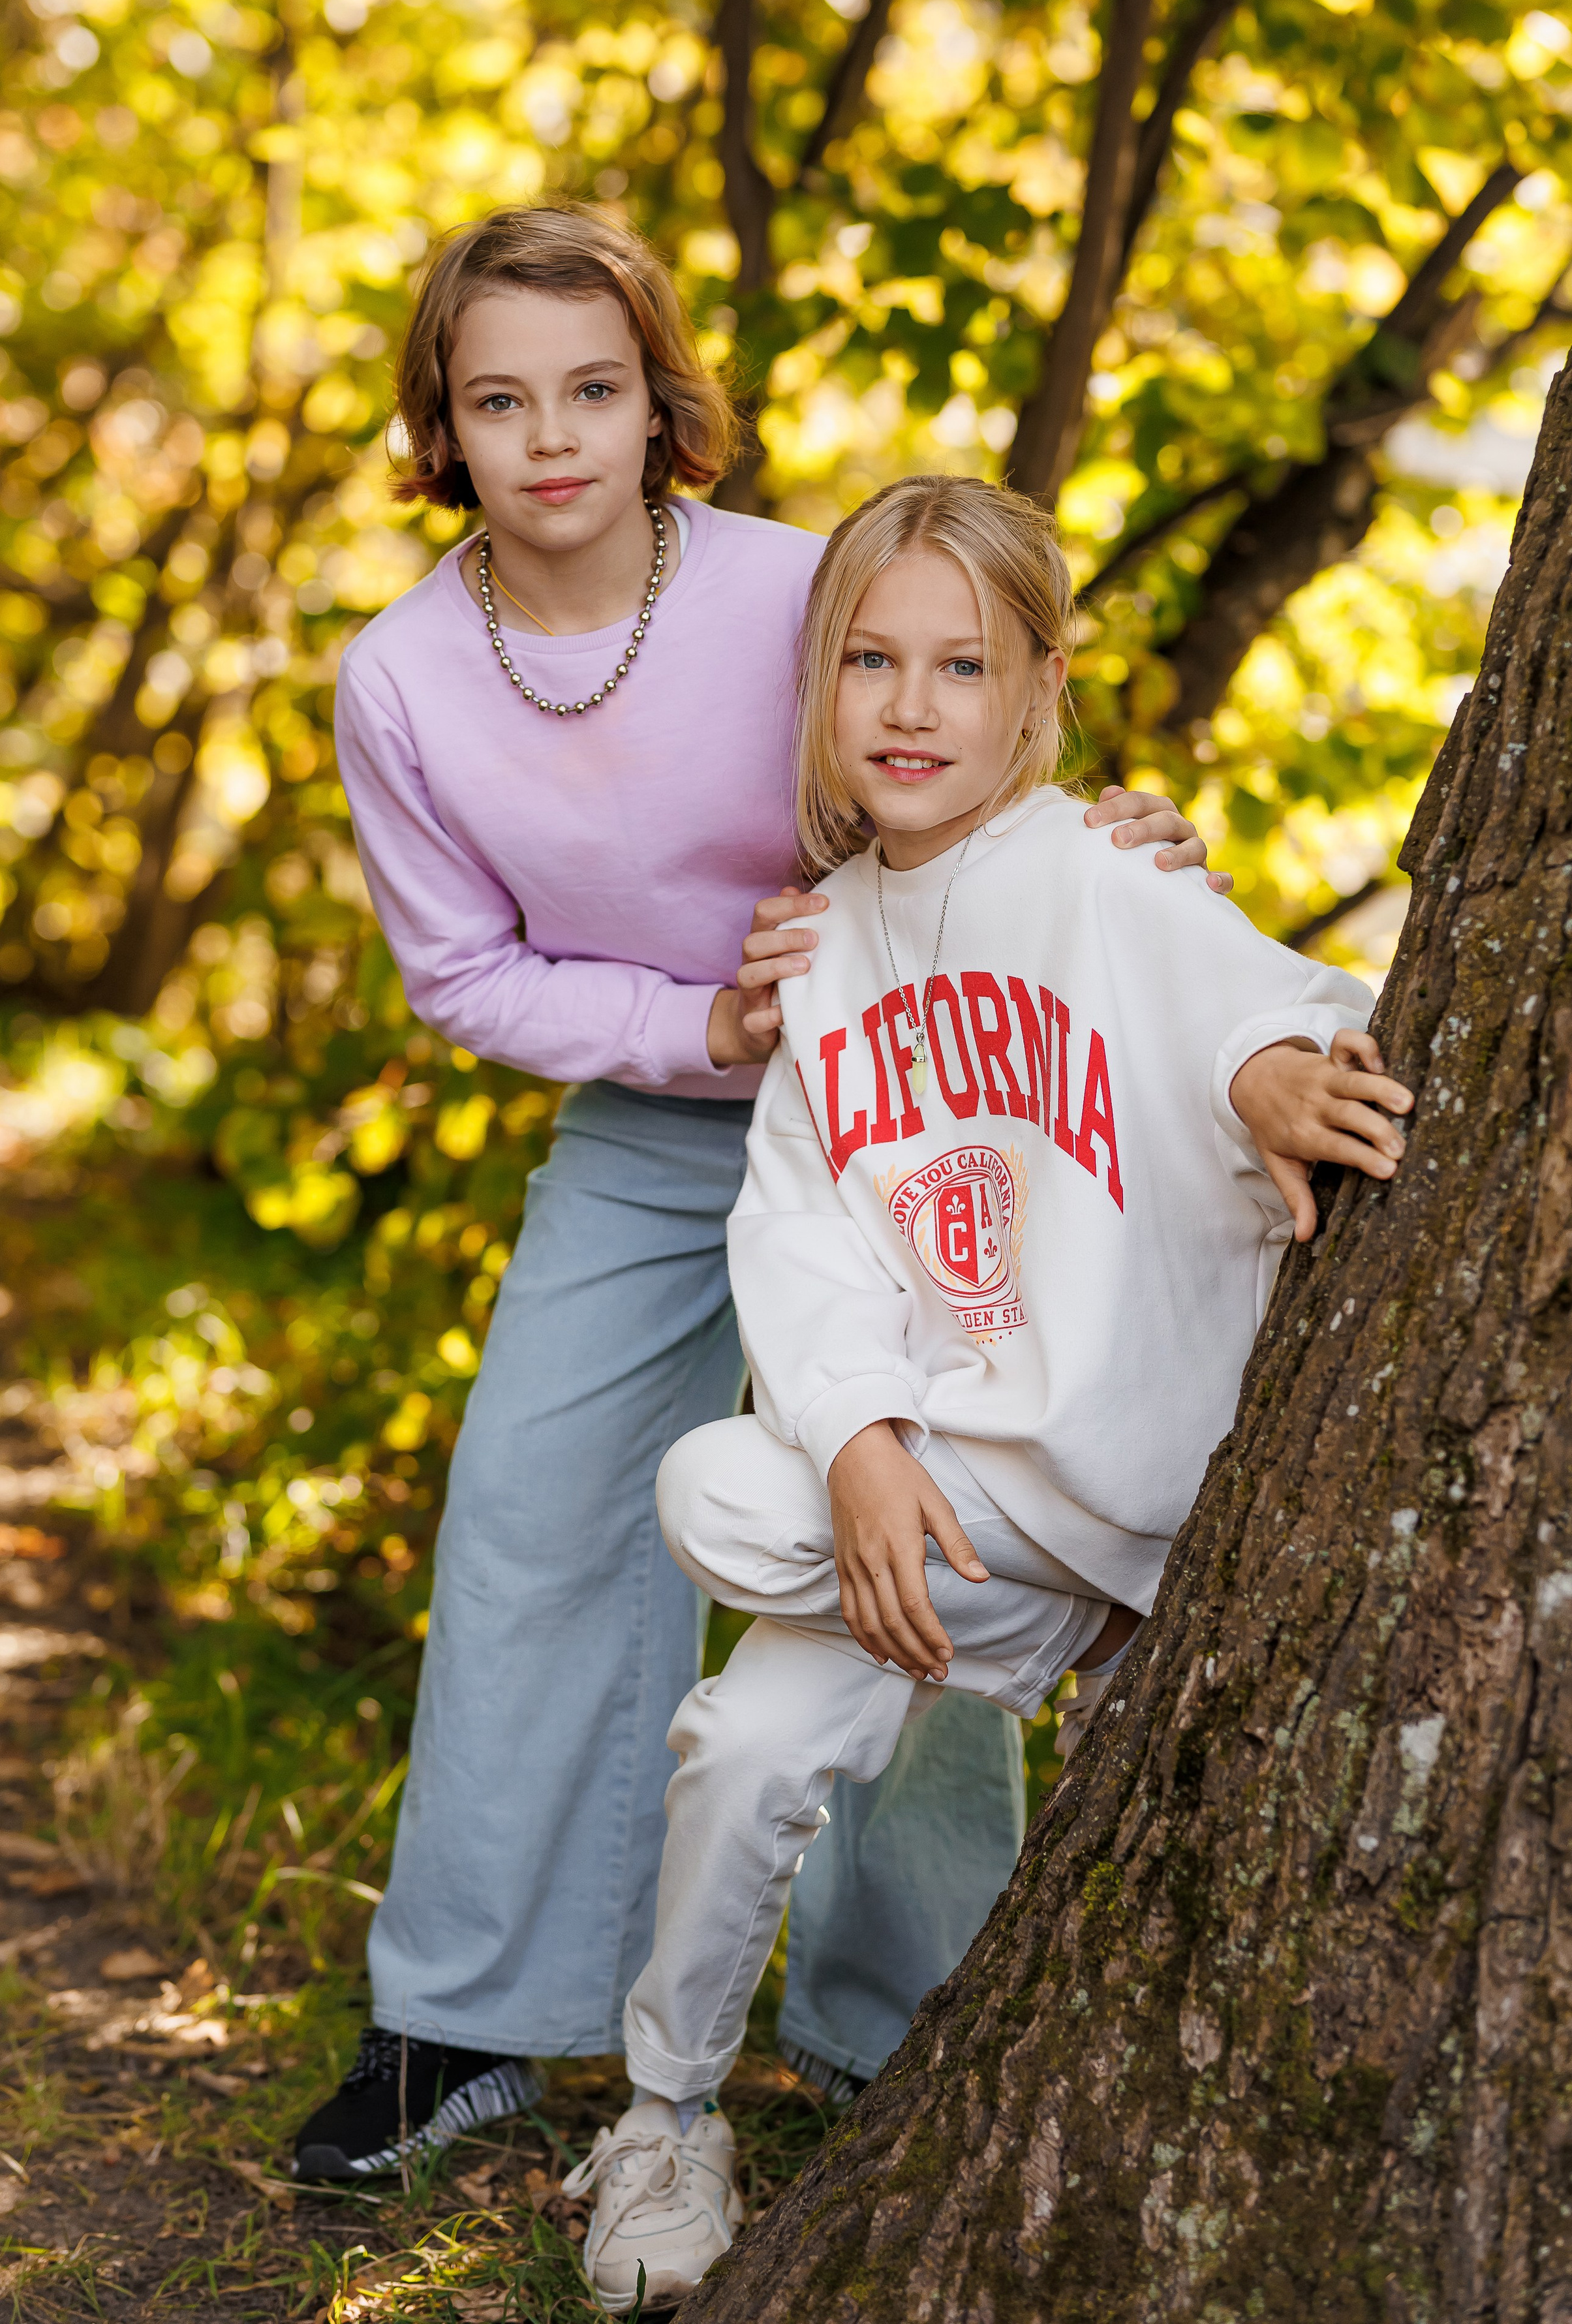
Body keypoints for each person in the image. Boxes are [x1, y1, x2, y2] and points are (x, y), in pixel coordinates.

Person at [295, 205, 1224, 2181]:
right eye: (499, 402)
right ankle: (467, 2023)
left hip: (926, 1116)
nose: (553, 436)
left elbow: (967, 743)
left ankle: (896, 2024)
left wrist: (1114, 842)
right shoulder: (400, 679)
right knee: (530, 1508)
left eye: (595, 389)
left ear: (660, 404)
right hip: (662, 1117)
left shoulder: (800, 584)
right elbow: (465, 976)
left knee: (943, 1518)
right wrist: (701, 1024)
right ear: (441, 429)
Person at [563, 474, 1413, 2310]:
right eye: (869, 661)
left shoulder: (1100, 869)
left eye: (962, 665)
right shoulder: (820, 954)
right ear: (819, 686)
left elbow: (1252, 998)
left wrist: (1269, 1074)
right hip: (951, 1528)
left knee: (733, 1511)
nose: (912, 706)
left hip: (1162, 1519)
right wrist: (860, 1446)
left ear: (1038, 688)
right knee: (739, 1666)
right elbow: (801, 1235)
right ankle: (665, 2118)